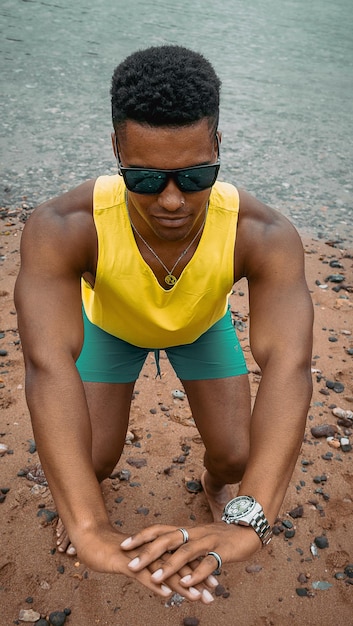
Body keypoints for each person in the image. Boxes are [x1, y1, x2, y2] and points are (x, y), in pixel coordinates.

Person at [15, 45, 313, 605]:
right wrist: (85, 522)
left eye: (196, 175)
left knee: (237, 457)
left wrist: (253, 516)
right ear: (116, 151)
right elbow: (45, 362)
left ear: (219, 148)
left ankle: (213, 487)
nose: (172, 200)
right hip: (111, 329)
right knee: (92, 459)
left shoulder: (263, 234)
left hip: (201, 328)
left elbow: (290, 367)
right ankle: (85, 497)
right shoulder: (64, 227)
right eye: (146, 178)